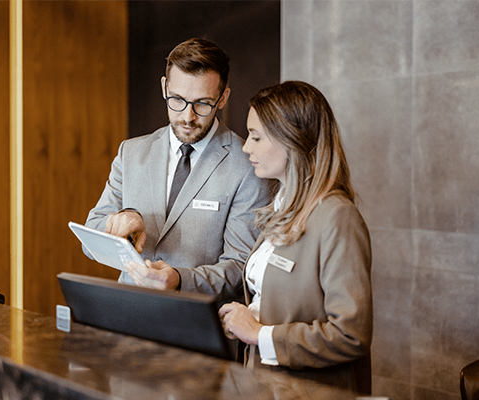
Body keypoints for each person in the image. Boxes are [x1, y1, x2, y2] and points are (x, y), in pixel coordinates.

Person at [85, 38, 271, 301]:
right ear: (164, 87)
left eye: (203, 103)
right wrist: (122, 224)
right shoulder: (132, 152)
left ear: (223, 98)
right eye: (177, 100)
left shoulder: (247, 166)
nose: (187, 116)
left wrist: (180, 280)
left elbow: (241, 268)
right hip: (128, 316)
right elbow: (89, 238)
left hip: (196, 328)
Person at [218, 81, 373, 393]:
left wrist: (259, 334)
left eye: (256, 137)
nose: (246, 147)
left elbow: (350, 335)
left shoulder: (337, 218)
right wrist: (249, 316)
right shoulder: (281, 208)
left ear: (292, 141)